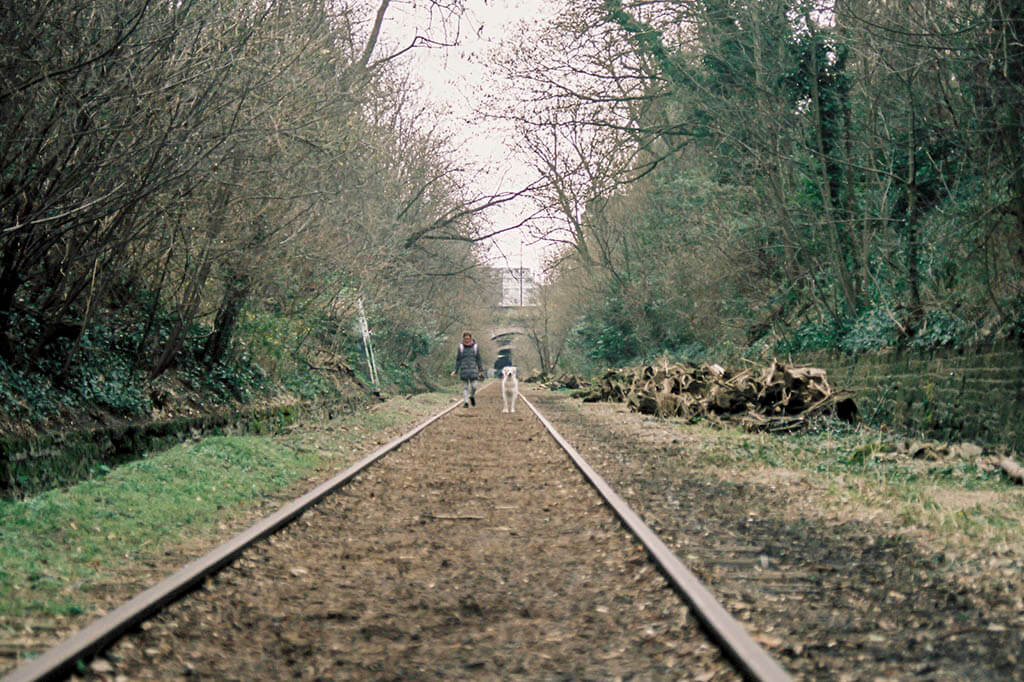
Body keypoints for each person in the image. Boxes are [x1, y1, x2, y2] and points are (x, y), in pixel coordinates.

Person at [452, 332, 484, 407]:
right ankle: (466, 402)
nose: (467, 340)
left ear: (471, 338)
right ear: (463, 338)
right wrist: (456, 370)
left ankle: (472, 396)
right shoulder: (461, 347)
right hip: (464, 370)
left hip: (473, 370)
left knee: (474, 386)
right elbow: (458, 360)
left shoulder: (475, 347)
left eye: (468, 338)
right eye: (465, 338)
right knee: (465, 387)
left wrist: (481, 370)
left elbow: (478, 359)